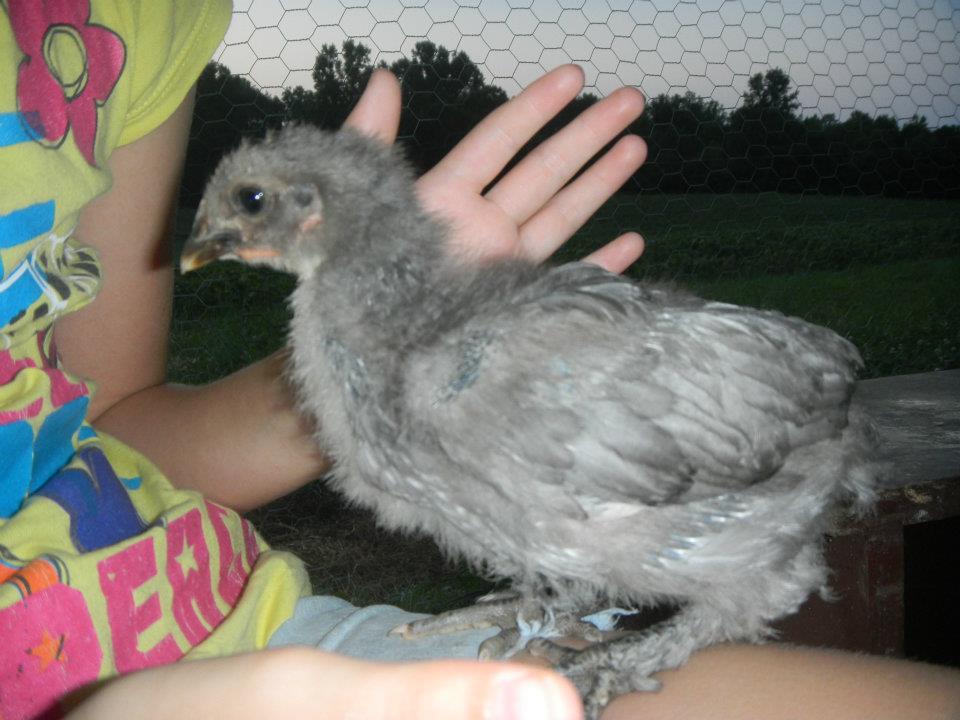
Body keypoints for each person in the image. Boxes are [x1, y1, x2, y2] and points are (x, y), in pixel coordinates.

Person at [1, 2, 958, 719]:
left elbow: (113, 423)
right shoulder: (404, 393)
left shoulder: (502, 376)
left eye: (249, 205)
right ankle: (551, 605)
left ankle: (594, 619)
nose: (210, 234)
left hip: (218, 624)